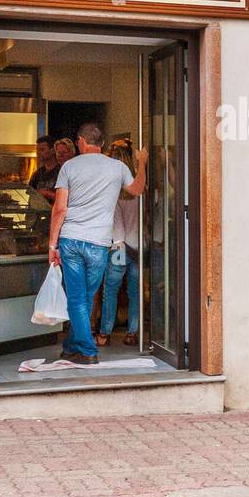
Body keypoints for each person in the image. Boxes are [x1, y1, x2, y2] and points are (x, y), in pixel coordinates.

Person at [48, 123, 147, 364]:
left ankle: (88, 351)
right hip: (99, 244)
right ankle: (72, 346)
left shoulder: (69, 167)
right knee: (84, 296)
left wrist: (52, 245)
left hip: (71, 240)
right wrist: (141, 162)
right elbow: (137, 190)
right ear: (101, 143)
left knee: (78, 298)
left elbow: (60, 209)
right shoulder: (118, 167)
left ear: (81, 142)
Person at [97, 140, 142, 348]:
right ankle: (132, 332)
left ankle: (105, 333)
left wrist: (117, 244)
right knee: (135, 292)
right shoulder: (141, 187)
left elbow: (116, 224)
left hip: (119, 247)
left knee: (111, 290)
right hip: (139, 246)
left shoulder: (113, 190)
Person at [29, 135, 74, 203]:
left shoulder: (63, 171)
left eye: (42, 149)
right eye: (37, 150)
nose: (38, 153)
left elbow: (70, 199)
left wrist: (47, 193)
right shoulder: (38, 174)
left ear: (52, 151)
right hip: (40, 212)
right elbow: (30, 195)